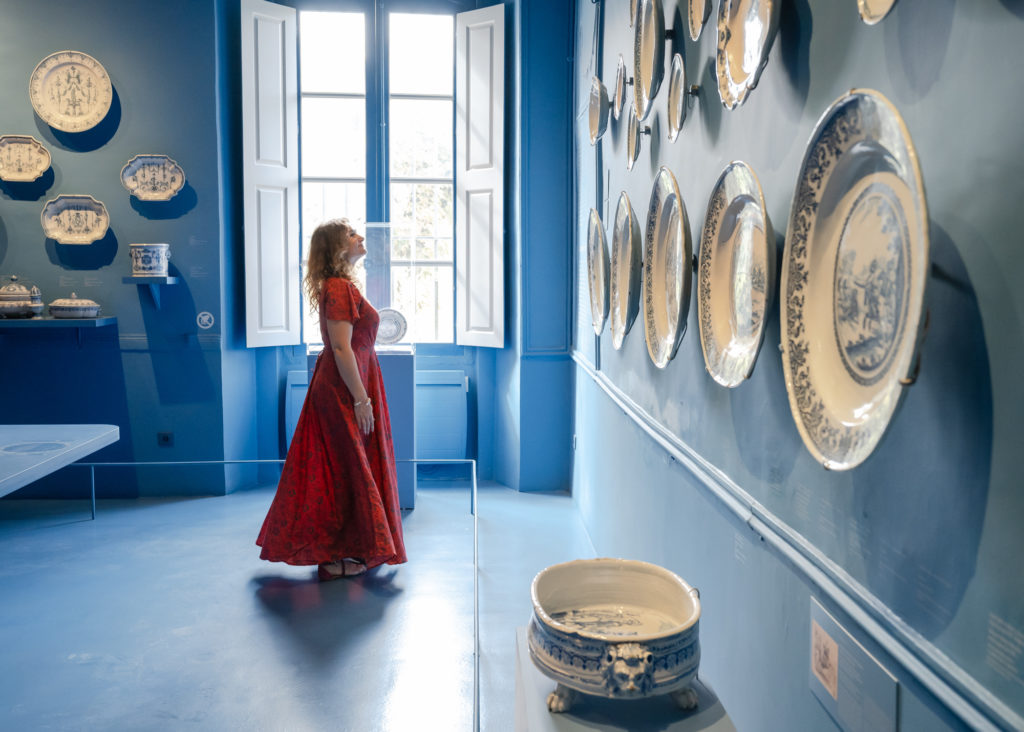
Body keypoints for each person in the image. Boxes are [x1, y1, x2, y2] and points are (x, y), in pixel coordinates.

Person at [256, 218, 407, 580]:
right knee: (345, 467)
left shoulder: (341, 285)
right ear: (339, 247)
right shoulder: (338, 287)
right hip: (344, 387)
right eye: (352, 234)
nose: (360, 237)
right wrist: (360, 399)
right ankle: (337, 554)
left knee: (347, 466)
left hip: (351, 382)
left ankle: (347, 547)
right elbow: (340, 347)